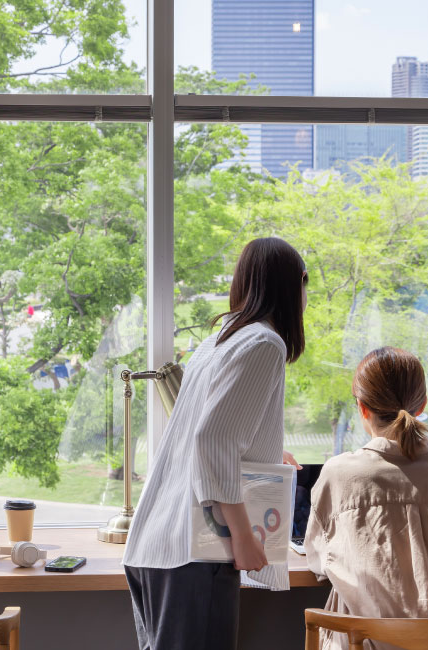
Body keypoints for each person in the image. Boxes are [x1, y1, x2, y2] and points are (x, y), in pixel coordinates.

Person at [123, 237, 308, 650]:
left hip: (157, 543)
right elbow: (212, 439)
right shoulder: (264, 343)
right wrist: (242, 535)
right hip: (194, 551)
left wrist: (267, 450)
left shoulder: (219, 339)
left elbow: (201, 430)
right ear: (294, 285)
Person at [305, 347, 428, 650]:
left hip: (371, 643)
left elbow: (319, 559)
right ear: (422, 405)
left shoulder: (340, 472)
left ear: (362, 408)